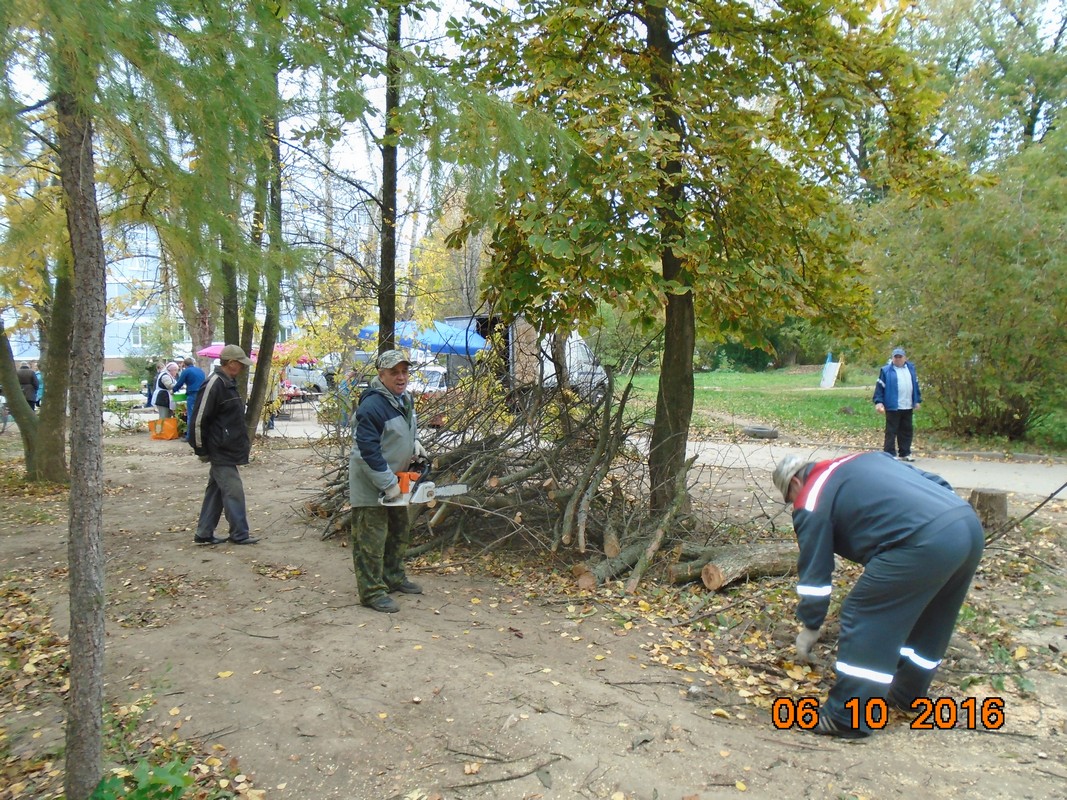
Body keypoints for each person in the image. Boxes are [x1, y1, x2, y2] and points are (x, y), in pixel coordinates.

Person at [771, 451, 984, 739]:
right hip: (964, 524)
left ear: (796, 481)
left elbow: (815, 572)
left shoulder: (810, 497)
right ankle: (908, 695)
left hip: (919, 541)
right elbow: (934, 482)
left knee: (863, 614)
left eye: (790, 496)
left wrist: (810, 625)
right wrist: (947, 524)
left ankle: (847, 717)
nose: (793, 504)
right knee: (932, 618)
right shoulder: (863, 459)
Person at [348, 349, 427, 613]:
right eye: (394, 372)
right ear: (381, 375)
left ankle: (393, 576)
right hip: (372, 484)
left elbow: (406, 428)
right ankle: (371, 591)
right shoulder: (372, 406)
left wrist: (414, 442)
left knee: (397, 532)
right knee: (371, 539)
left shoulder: (404, 399)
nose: (401, 377)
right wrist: (387, 484)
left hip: (395, 480)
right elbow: (365, 452)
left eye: (404, 371)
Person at [187, 345, 259, 546]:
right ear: (232, 363)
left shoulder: (228, 383)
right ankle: (239, 533)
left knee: (216, 492)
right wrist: (200, 448)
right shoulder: (214, 383)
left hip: (226, 448)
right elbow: (199, 419)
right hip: (220, 450)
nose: (243, 368)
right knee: (233, 491)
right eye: (241, 364)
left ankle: (204, 533)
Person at [873, 346, 921, 461]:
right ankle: (889, 454)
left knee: (906, 430)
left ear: (905, 358)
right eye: (896, 357)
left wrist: (917, 400)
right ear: (892, 358)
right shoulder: (886, 371)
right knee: (891, 431)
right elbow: (880, 387)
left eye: (900, 357)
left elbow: (915, 385)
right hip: (893, 405)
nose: (898, 359)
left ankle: (905, 453)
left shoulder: (911, 369)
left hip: (908, 405)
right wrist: (879, 402)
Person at [173, 357, 206, 439]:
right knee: (200, 415)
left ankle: (190, 436)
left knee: (191, 415)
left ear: (185, 365)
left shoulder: (186, 371)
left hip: (192, 394)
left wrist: (173, 390)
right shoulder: (200, 370)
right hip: (202, 393)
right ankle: (200, 435)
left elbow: (180, 383)